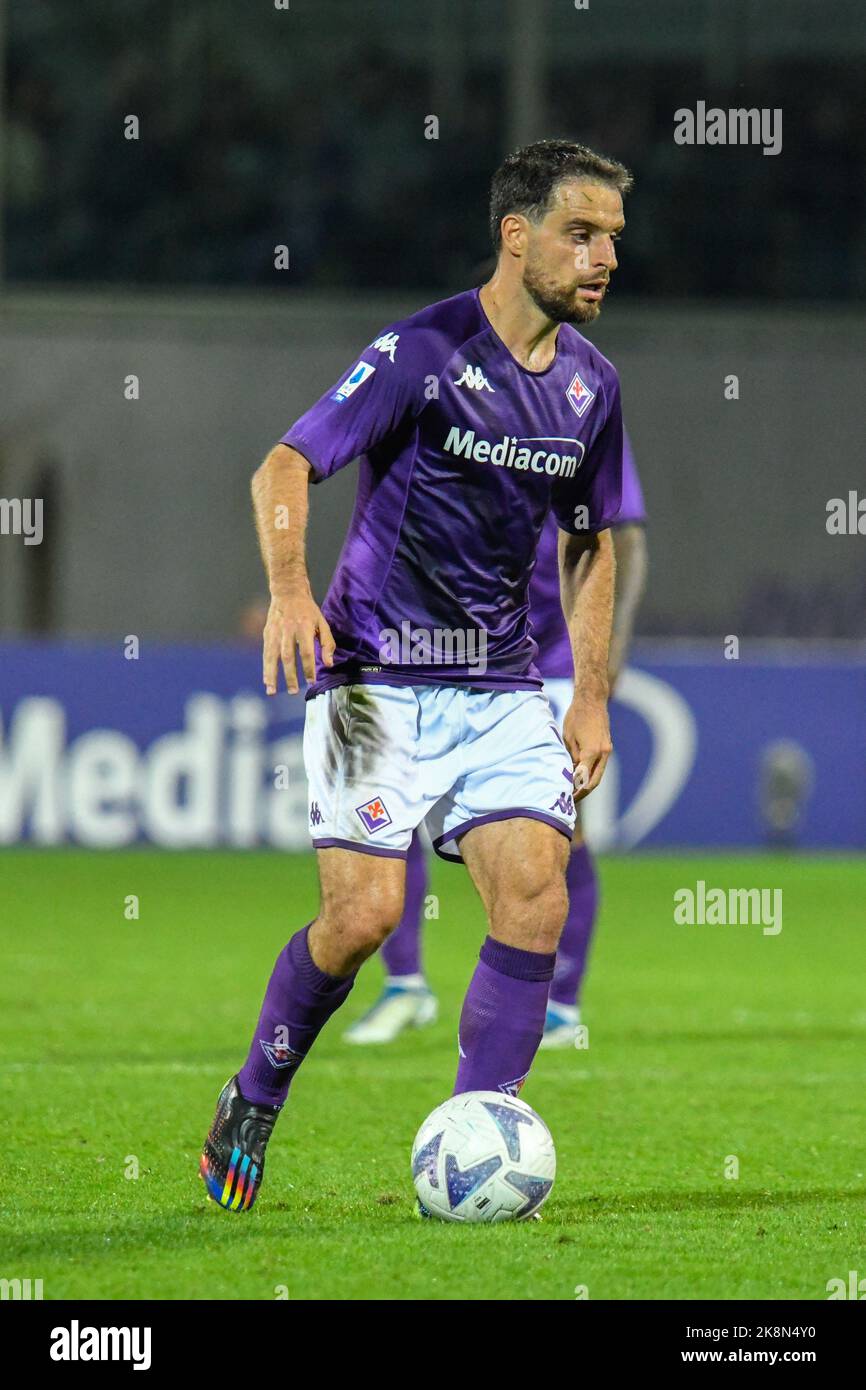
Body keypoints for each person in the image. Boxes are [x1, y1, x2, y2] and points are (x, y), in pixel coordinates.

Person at [200, 138, 631, 1212]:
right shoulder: (421, 351)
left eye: (612, 239)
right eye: (581, 234)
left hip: (497, 683)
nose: (602, 258)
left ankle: (477, 1130)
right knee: (360, 917)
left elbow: (590, 539)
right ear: (515, 234)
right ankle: (255, 1089)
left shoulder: (590, 386)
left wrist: (585, 695)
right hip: (372, 676)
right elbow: (284, 464)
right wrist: (293, 591)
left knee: (534, 891)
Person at [344, 441, 647, 1047]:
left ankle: (560, 1001)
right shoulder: (452, 403)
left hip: (551, 658)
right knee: (393, 813)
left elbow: (622, 541)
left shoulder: (574, 409)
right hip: (447, 656)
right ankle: (405, 984)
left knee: (562, 831)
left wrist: (610, 653)